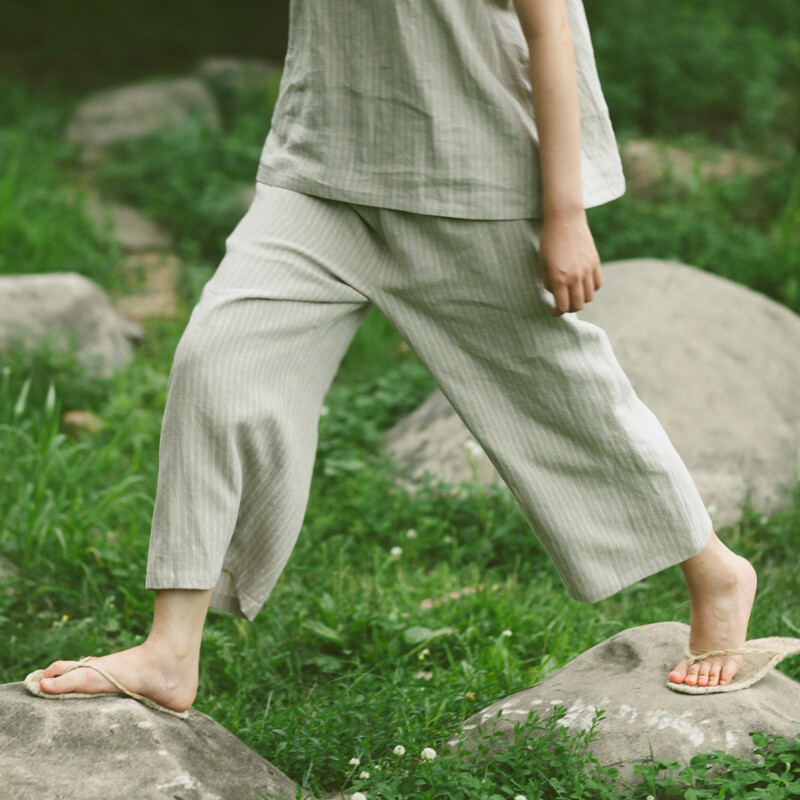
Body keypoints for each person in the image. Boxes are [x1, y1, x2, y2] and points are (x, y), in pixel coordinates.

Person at [32, 0, 758, 713]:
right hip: (321, 174)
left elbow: (549, 27)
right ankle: (170, 651)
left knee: (557, 399)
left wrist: (565, 213)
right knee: (217, 364)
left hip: (471, 178)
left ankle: (714, 572)